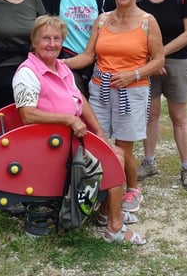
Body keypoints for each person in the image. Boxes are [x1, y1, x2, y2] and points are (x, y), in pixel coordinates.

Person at [12, 15, 146, 245]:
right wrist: (68, 119)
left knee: (116, 152)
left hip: (68, 139)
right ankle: (114, 227)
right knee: (114, 157)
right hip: (49, 144)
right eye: (45, 38)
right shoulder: (27, 73)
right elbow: (27, 115)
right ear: (34, 41)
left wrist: (99, 132)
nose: (52, 44)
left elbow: (79, 99)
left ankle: (106, 212)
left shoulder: (60, 67)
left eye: (57, 39)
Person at [64, 0, 165, 213]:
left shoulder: (147, 22)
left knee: (123, 147)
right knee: (96, 143)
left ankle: (133, 189)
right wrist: (56, 64)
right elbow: (88, 57)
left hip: (132, 92)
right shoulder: (102, 20)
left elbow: (159, 61)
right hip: (99, 91)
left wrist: (133, 74)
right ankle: (103, 190)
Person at [136, 0, 187, 191]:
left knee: (179, 117)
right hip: (148, 62)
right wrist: (151, 59)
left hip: (177, 61)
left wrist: (159, 56)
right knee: (150, 114)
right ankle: (149, 162)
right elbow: (134, 31)